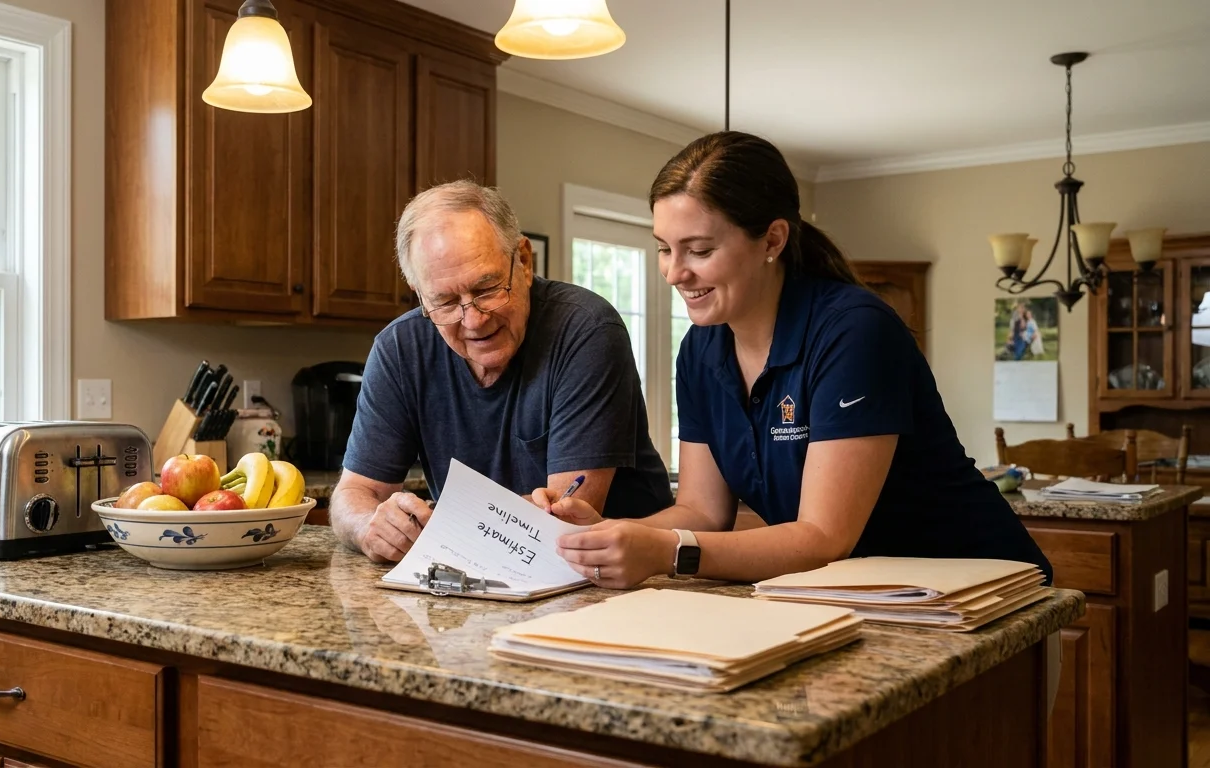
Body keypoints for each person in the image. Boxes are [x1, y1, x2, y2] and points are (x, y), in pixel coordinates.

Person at [531, 132, 1052, 588]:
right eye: (665, 248)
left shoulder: (854, 331)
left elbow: (823, 537)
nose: (673, 273)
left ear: (772, 240)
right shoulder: (700, 350)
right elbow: (703, 511)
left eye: (699, 250)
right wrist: (598, 538)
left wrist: (667, 552)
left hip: (977, 588)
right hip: (860, 593)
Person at [330, 180, 673, 563]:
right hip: (480, 576)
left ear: (524, 262)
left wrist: (444, 525)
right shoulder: (399, 349)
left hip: (625, 581)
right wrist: (368, 525)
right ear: (418, 292)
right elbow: (353, 493)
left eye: (487, 288)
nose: (473, 320)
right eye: (443, 301)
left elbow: (561, 520)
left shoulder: (585, 330)